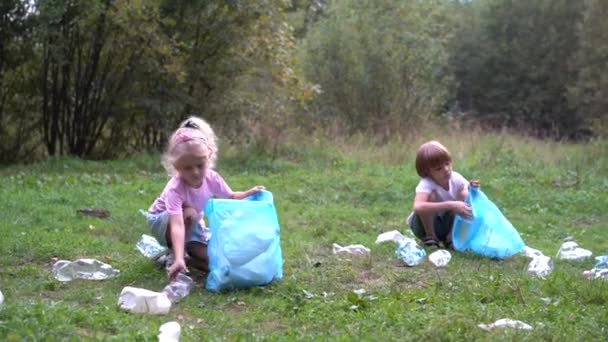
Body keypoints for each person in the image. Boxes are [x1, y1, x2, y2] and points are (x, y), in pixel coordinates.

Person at [147, 116, 265, 280]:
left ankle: (188, 260)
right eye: (187, 168)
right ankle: (176, 255)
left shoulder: (212, 178)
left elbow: (230, 196)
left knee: (216, 260)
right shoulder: (176, 188)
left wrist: (246, 194)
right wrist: (178, 256)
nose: (195, 172)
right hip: (163, 221)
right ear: (176, 167)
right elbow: (177, 225)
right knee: (188, 212)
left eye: (199, 165)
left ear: (208, 157)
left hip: (193, 221)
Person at [406, 140, 479, 249]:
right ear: (428, 172)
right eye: (438, 168)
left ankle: (451, 237)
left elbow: (470, 196)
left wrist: (473, 189)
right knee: (431, 197)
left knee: (464, 193)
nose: (446, 169)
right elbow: (418, 206)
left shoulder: (456, 178)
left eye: (447, 163)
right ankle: (430, 237)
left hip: (446, 224)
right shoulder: (426, 183)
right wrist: (450, 205)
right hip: (423, 226)